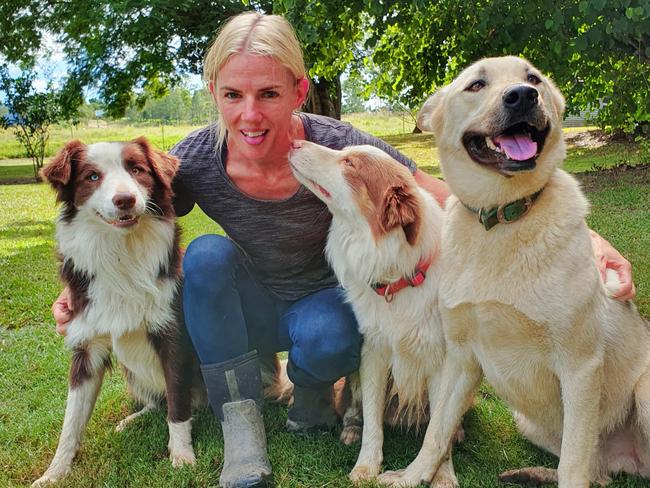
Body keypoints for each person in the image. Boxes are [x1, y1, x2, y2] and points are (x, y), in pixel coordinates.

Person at [51, 11, 637, 488]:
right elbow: (118, 209)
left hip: (322, 306)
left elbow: (439, 191)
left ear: (299, 91)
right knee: (205, 257)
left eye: (269, 93)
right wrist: (76, 291)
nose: (249, 113)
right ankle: (242, 422)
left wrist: (589, 239)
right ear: (214, 93)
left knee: (333, 334)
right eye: (232, 95)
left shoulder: (339, 145)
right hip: (252, 305)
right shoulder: (198, 156)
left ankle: (311, 394)